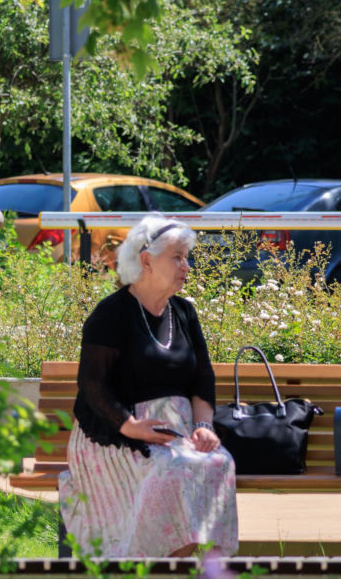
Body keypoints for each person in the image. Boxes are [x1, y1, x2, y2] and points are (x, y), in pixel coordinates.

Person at [59, 213, 238, 558]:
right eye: (177, 257)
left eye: (186, 257)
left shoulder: (184, 312)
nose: (186, 266)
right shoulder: (111, 314)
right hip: (116, 433)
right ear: (146, 261)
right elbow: (92, 384)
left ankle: (193, 572)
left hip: (179, 432)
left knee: (219, 463)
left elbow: (203, 378)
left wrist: (204, 427)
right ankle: (153, 571)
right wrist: (131, 426)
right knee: (171, 471)